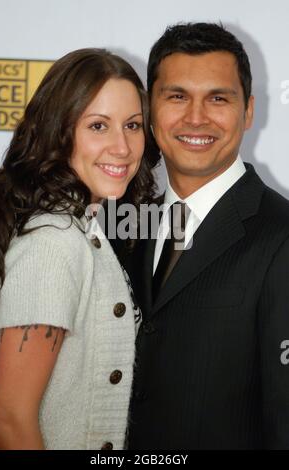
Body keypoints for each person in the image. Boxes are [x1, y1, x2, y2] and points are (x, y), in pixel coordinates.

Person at [117, 23, 289, 449]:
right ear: (149, 109)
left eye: (218, 98)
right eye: (177, 96)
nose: (196, 117)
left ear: (248, 111)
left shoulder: (281, 234)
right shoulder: (121, 224)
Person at [0, 48, 159, 450]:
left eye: (133, 126)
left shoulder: (82, 228)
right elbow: (9, 418)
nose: (122, 147)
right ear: (59, 131)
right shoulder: (54, 243)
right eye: (98, 126)